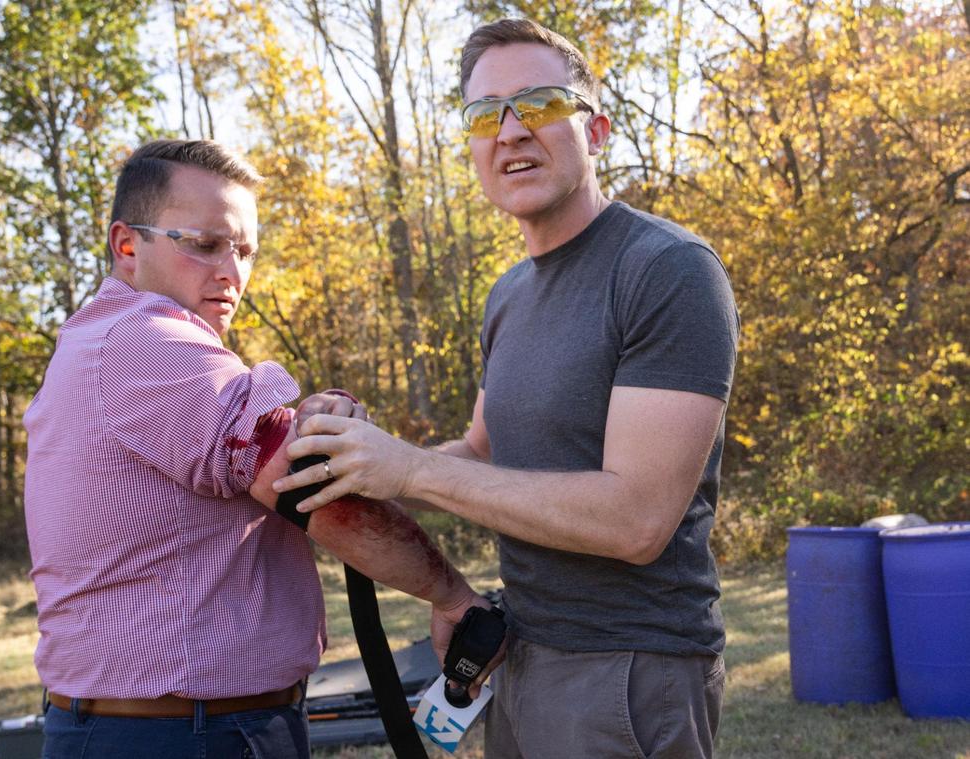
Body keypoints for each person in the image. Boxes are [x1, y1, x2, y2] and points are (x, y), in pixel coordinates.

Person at [273, 18, 740, 759]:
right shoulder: (509, 295)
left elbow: (638, 520)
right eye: (487, 114)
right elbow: (484, 453)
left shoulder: (666, 270)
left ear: (597, 129)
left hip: (628, 673)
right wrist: (361, 458)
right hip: (518, 652)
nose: (512, 131)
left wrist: (412, 468)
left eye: (541, 104)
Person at [23, 139, 487, 759]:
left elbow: (270, 455)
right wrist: (452, 595)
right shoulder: (148, 340)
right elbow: (309, 489)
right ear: (128, 244)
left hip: (165, 727)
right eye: (206, 244)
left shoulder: (103, 341)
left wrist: (318, 418)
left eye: (244, 251)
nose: (232, 273)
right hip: (181, 735)